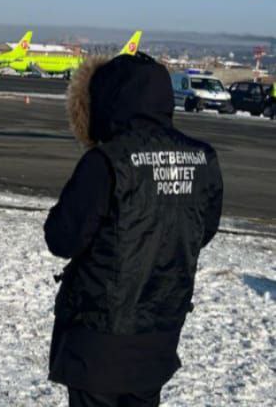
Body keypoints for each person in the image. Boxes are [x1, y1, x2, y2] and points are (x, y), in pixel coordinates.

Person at [45, 52, 223, 407]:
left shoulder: (106, 161)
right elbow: (203, 230)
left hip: (100, 334)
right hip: (159, 327)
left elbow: (62, 238)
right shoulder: (203, 159)